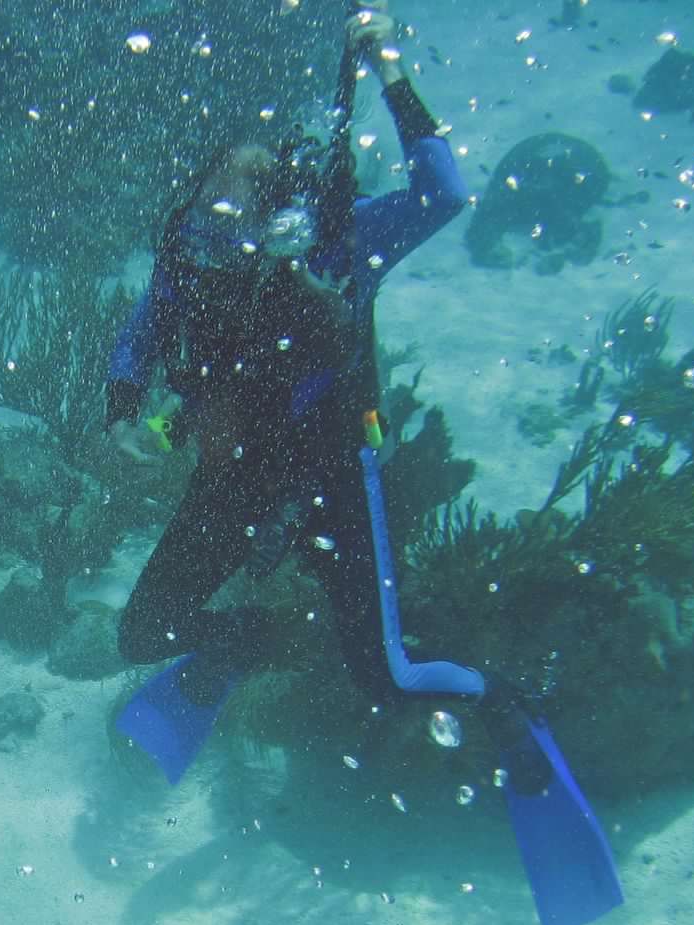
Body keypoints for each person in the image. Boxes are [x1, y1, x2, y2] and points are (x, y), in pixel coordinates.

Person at [105, 3, 465, 708]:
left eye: (236, 222)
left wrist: (389, 71)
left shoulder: (340, 243)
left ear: (278, 218)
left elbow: (443, 194)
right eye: (210, 209)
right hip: (237, 478)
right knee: (143, 633)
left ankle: (503, 706)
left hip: (330, 469)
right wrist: (122, 403)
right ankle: (253, 638)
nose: (217, 237)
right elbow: (145, 328)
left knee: (383, 675)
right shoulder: (188, 254)